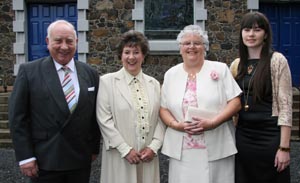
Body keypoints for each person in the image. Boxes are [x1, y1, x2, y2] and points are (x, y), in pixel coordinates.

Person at [8, 20, 101, 183]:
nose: (64, 47)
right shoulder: (29, 72)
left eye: (69, 41)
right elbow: (18, 118)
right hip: (44, 160)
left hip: (79, 160)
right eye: (58, 41)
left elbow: (94, 116)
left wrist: (93, 148)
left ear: (76, 43)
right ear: (47, 42)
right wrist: (25, 157)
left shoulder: (90, 73)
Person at [159, 24, 242, 183]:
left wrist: (213, 122)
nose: (191, 47)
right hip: (182, 149)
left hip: (216, 146)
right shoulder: (171, 74)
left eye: (197, 43)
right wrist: (176, 125)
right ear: (180, 48)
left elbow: (236, 102)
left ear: (205, 47)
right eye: (186, 43)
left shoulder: (220, 69)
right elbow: (163, 108)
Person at [230, 11, 292, 183]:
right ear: (241, 33)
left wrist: (284, 147)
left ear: (265, 34)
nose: (251, 34)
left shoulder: (277, 60)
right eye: (247, 29)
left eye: (257, 30)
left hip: (270, 137)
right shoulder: (236, 65)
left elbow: (286, 106)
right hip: (243, 137)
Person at [96, 30, 165, 183]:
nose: (131, 57)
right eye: (127, 52)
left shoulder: (153, 84)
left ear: (143, 56)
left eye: (136, 52)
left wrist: (154, 147)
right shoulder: (107, 82)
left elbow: (161, 118)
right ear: (121, 55)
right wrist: (125, 150)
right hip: (119, 156)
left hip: (147, 156)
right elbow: (104, 120)